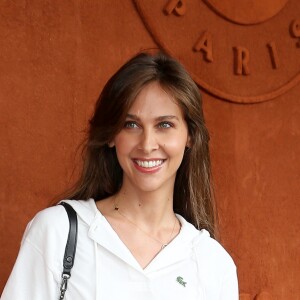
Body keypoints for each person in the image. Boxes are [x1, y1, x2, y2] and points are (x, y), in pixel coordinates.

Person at [1, 51, 238, 299]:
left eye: (164, 125)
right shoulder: (58, 231)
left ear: (189, 136)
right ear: (112, 136)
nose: (147, 144)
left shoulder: (213, 264)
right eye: (131, 125)